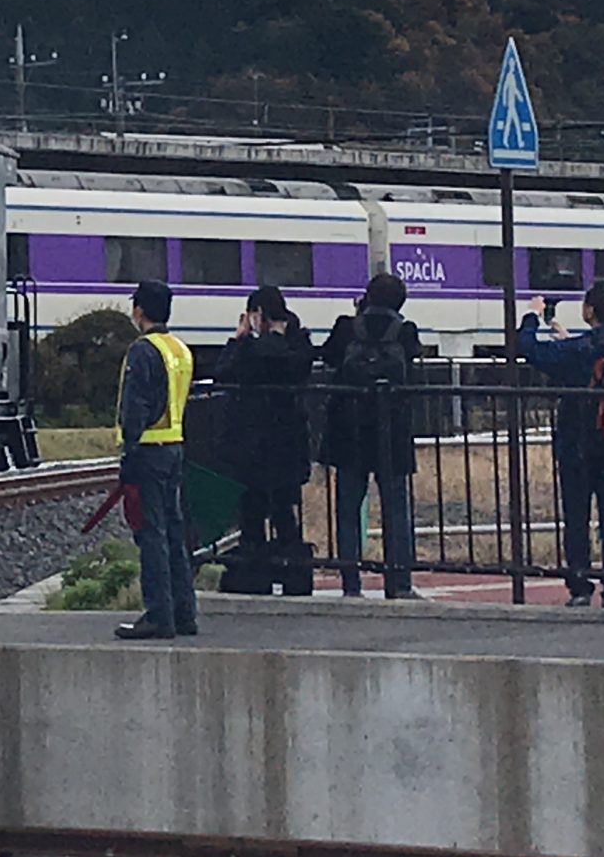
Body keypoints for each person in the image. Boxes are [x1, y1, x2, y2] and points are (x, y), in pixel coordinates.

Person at [521, 279, 604, 609]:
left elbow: (529, 349)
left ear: (589, 310)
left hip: (578, 444)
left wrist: (532, 316)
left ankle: (579, 586)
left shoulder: (577, 350)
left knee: (577, 516)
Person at [319, 272, 425, 599]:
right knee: (396, 509)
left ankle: (351, 583)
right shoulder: (405, 332)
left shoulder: (346, 327)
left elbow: (328, 355)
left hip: (348, 430)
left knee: (348, 508)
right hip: (391, 430)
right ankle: (400, 582)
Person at [213, 285, 316, 596]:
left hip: (257, 442)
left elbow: (224, 372)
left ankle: (256, 571)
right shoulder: (298, 343)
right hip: (285, 443)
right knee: (283, 510)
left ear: (257, 314)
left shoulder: (260, 348)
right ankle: (290, 568)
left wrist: (239, 339)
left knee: (258, 510)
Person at [114, 279, 197, 640]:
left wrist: (128, 452)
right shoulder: (179, 350)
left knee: (151, 535)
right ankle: (184, 612)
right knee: (175, 533)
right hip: (174, 447)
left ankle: (158, 614)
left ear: (140, 311)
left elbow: (136, 406)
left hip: (148, 450)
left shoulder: (142, 351)